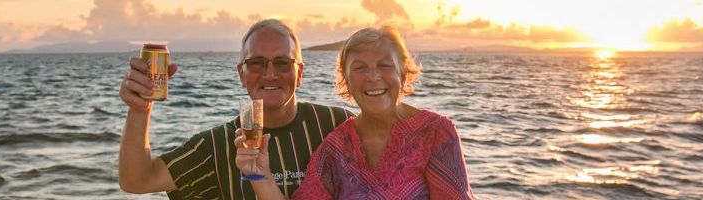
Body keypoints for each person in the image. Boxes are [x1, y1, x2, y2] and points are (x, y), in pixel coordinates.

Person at [118, 19, 355, 199]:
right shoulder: (217, 145)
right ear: (242, 74)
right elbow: (137, 181)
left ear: (299, 73)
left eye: (283, 63)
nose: (270, 74)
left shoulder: (337, 125)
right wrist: (139, 109)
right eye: (256, 63)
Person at [235, 26, 473, 199]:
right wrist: (259, 173)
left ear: (402, 73)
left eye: (385, 65)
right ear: (346, 81)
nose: (373, 76)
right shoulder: (336, 147)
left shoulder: (435, 133)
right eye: (359, 68)